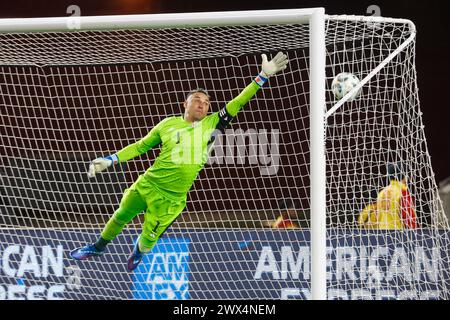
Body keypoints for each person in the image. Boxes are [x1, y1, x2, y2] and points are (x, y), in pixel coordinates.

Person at [70, 52, 289, 271]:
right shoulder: (167, 124)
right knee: (120, 215)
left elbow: (238, 101)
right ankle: (97, 247)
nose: (202, 105)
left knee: (147, 242)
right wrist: (111, 159)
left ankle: (139, 250)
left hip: (171, 199)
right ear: (185, 103)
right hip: (148, 184)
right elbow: (140, 146)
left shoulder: (214, 123)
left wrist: (262, 76)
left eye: (206, 103)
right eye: (197, 101)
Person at [358, 162, 418, 230]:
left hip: (382, 234)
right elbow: (409, 217)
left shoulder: (381, 193)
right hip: (398, 235)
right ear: (405, 176)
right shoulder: (402, 192)